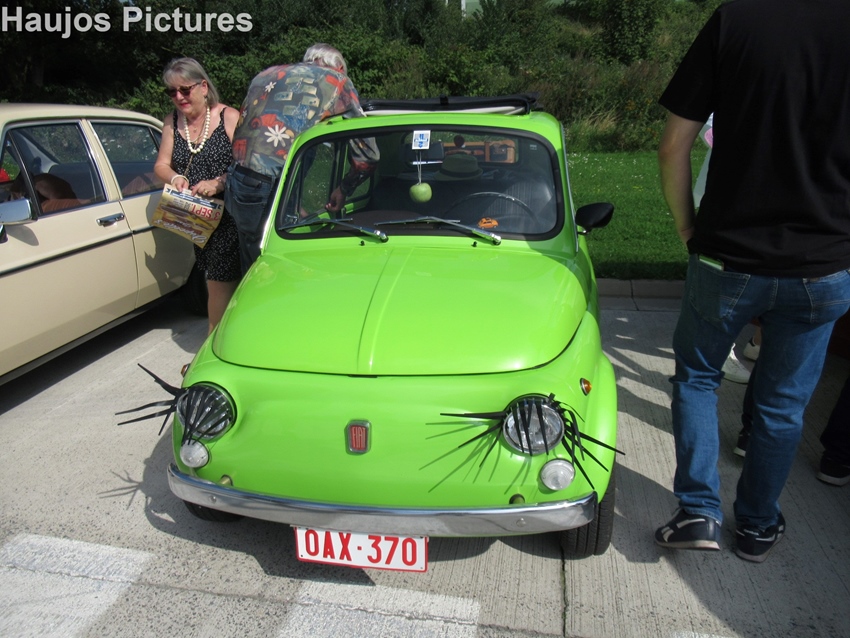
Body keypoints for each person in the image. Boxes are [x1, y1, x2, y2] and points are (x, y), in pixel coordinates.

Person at [653, 0, 850, 563]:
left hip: (727, 256)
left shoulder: (736, 19)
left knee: (697, 377)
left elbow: (672, 145)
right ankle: (758, 525)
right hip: (824, 264)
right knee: (783, 406)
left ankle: (698, 510)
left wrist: (687, 226)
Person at [225, 43, 378, 274]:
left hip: (237, 181)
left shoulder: (267, 74)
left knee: (251, 265)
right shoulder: (337, 81)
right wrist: (344, 188)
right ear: (339, 68)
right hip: (268, 185)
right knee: (272, 269)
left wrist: (294, 206)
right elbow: (367, 154)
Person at [154, 57, 241, 335]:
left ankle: (212, 344)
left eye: (185, 90)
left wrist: (218, 183)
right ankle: (229, 339)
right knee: (218, 283)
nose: (178, 97)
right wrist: (175, 178)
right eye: (172, 92)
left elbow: (248, 165)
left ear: (203, 87)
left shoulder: (228, 117)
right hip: (200, 219)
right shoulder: (172, 122)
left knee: (218, 284)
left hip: (231, 216)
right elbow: (161, 165)